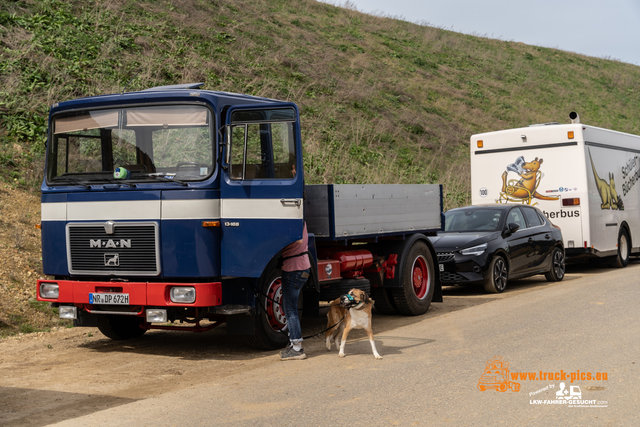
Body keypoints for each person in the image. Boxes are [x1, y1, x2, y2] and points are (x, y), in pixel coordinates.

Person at [279, 222, 311, 360]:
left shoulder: (292, 222)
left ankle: (297, 347)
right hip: (302, 266)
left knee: (290, 310)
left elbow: (291, 240)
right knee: (291, 309)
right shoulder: (301, 221)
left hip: (293, 268)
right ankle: (293, 345)